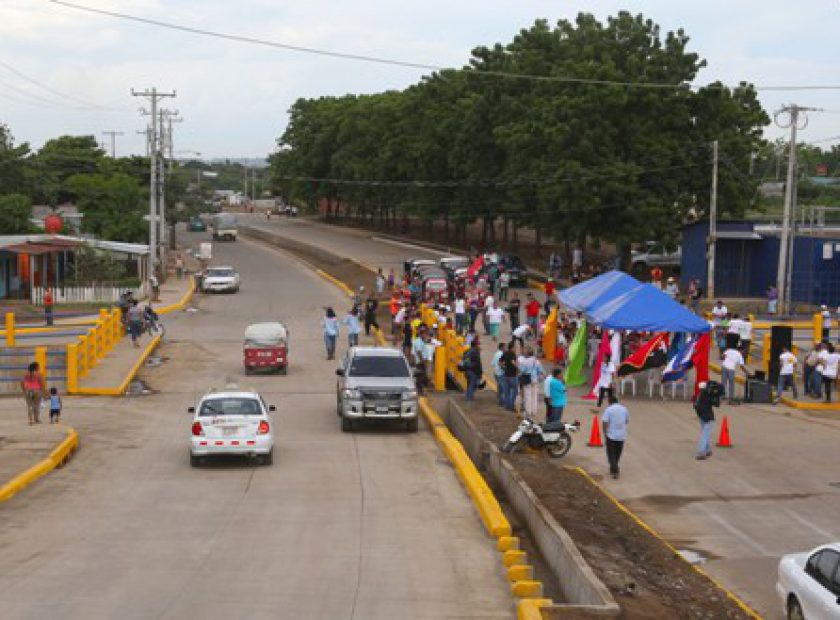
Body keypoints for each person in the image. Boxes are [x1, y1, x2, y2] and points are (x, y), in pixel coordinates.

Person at [601, 393, 629, 478]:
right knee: (617, 453)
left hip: (611, 435)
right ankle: (613, 468)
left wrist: (605, 434)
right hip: (621, 436)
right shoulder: (624, 409)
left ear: (610, 402)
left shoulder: (608, 410)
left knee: (611, 454)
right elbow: (627, 421)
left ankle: (615, 469)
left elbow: (605, 422)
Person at [517, 347, 544, 418]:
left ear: (527, 354)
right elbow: (541, 371)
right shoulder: (537, 361)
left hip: (527, 380)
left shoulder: (525, 362)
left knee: (527, 396)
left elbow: (522, 371)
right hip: (535, 380)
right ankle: (534, 411)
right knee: (534, 396)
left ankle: (528, 411)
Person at [693, 382, 717, 460]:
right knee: (705, 435)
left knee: (705, 433)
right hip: (709, 418)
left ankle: (708, 450)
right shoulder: (708, 396)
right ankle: (701, 452)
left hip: (702, 418)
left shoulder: (698, 397)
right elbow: (716, 403)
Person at [499, 343, 518, 411]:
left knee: (507, 392)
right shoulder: (513, 354)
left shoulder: (505, 353)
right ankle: (512, 406)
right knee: (515, 391)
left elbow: (500, 362)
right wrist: (519, 368)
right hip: (512, 376)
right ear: (512, 347)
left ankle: (507, 406)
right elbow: (513, 362)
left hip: (506, 375)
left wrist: (503, 367)